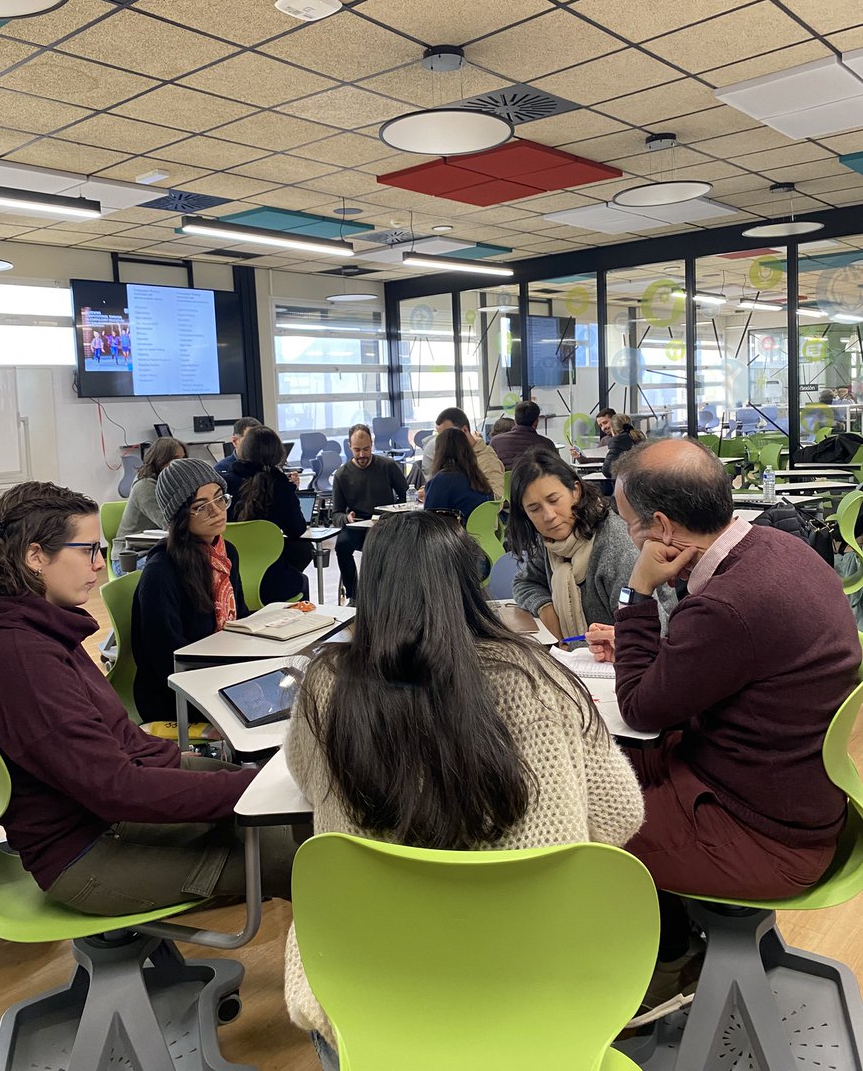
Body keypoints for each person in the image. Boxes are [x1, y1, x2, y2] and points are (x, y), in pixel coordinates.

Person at [281, 511, 645, 1066]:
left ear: (371, 587)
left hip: (369, 999)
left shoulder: (326, 684)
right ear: (468, 584)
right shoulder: (540, 678)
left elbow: (307, 777)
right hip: (538, 992)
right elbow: (619, 815)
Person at [588, 439, 859, 1017]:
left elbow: (637, 707)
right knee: (617, 773)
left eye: (629, 523)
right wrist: (649, 646)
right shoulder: (778, 548)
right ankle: (676, 944)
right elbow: (721, 663)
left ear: (662, 527)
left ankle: (664, 964)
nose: (628, 536)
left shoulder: (728, 603)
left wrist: (636, 597)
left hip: (766, 836)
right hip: (794, 800)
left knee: (586, 821)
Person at [0, 481, 303, 916]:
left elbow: (116, 735)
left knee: (285, 806)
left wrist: (206, 770)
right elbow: (115, 789)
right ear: (35, 556)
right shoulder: (20, 658)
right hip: (86, 851)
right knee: (292, 855)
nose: (99, 564)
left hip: (107, 815)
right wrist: (255, 785)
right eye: (87, 550)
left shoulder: (36, 624)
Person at [508, 448, 673, 642]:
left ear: (576, 491)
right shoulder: (551, 541)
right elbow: (525, 583)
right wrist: (546, 609)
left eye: (554, 500)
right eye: (534, 509)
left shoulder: (615, 546)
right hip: (582, 653)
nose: (549, 516)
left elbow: (645, 632)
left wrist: (569, 647)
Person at [132, 459, 249, 723]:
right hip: (176, 693)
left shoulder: (226, 553)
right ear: (179, 516)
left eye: (219, 498)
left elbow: (239, 619)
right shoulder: (160, 573)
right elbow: (167, 660)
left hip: (221, 672)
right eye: (200, 507)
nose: (216, 511)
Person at [222, 424, 311, 603]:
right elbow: (297, 529)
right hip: (273, 583)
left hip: (229, 581)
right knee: (302, 576)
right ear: (278, 453)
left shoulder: (223, 484)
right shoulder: (281, 487)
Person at [331, 424, 407, 604]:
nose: (362, 455)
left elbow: (406, 496)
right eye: (357, 450)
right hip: (358, 525)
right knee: (341, 546)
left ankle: (390, 594)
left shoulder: (387, 466)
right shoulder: (341, 475)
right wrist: (346, 518)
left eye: (366, 449)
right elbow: (336, 514)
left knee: (387, 547)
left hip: (386, 524)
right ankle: (354, 595)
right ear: (349, 447)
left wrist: (396, 514)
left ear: (372, 444)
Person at [111, 436, 187, 573]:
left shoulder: (171, 482)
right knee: (183, 565)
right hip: (130, 558)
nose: (180, 464)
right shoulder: (145, 485)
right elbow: (170, 523)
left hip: (157, 549)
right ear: (160, 460)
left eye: (183, 459)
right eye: (175, 459)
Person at [420, 407, 504, 498]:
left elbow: (496, 498)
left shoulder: (487, 460)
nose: (442, 441)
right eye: (440, 436)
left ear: (464, 430)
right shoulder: (449, 457)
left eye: (447, 435)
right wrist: (427, 489)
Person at [423, 427, 493, 522]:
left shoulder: (442, 480)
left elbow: (430, 519)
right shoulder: (478, 477)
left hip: (456, 530)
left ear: (440, 451)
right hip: (483, 530)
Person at [489, 399, 557, 469]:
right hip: (535, 476)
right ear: (536, 422)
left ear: (515, 420)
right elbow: (558, 469)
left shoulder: (495, 442)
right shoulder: (547, 444)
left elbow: (490, 468)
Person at [602, 413, 646, 481]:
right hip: (641, 480)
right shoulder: (639, 436)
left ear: (613, 429)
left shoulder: (618, 440)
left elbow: (607, 470)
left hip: (626, 483)